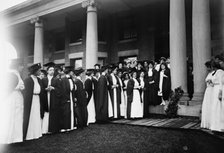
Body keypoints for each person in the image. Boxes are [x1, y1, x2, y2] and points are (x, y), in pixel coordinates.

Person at [0, 59, 24, 144]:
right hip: (12, 98)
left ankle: (15, 138)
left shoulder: (17, 74)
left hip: (17, 98)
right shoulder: (12, 74)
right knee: (11, 117)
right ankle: (8, 138)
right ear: (17, 66)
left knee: (16, 118)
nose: (22, 67)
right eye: (21, 65)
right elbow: (8, 87)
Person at [23, 63, 44, 140]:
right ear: (34, 71)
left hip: (37, 99)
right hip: (30, 100)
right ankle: (29, 134)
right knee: (30, 115)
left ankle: (36, 133)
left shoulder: (39, 80)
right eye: (39, 70)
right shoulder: (28, 80)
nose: (40, 72)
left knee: (36, 115)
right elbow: (26, 93)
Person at [42, 62, 62, 134]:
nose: (52, 71)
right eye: (50, 70)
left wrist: (53, 88)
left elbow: (60, 90)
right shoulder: (44, 80)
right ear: (47, 71)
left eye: (53, 70)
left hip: (53, 98)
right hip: (46, 97)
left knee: (53, 112)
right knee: (46, 111)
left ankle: (53, 129)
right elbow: (41, 89)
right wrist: (46, 89)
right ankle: (45, 129)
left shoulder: (56, 80)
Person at [60, 66, 76, 131]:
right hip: (66, 98)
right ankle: (65, 126)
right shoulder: (64, 80)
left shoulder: (71, 79)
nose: (73, 73)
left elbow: (73, 88)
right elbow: (63, 90)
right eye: (72, 72)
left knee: (71, 111)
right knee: (66, 112)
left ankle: (71, 125)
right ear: (69, 72)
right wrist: (67, 98)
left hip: (71, 96)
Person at [210, 61, 224, 132]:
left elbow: (221, 82)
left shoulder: (220, 72)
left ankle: (220, 126)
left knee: (219, 107)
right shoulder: (215, 72)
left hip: (218, 89)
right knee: (215, 107)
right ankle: (215, 126)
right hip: (215, 89)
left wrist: (220, 93)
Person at [201, 61, 214, 129]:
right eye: (207, 67)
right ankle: (207, 122)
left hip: (212, 90)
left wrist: (211, 82)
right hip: (208, 91)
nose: (207, 69)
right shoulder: (209, 74)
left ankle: (212, 122)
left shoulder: (214, 74)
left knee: (211, 105)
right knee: (207, 105)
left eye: (208, 67)